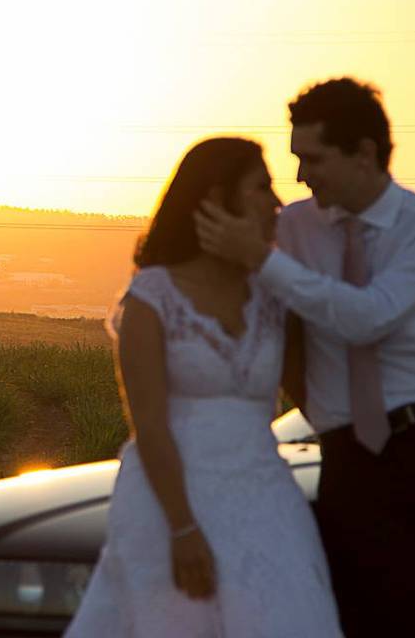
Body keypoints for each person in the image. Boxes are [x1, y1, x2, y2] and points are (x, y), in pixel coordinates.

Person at [195, 77, 415, 637]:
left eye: (312, 158)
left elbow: (368, 315)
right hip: (353, 463)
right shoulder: (290, 229)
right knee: (375, 619)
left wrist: (261, 259)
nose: (299, 177)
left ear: (365, 152)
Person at [64, 137, 343, 637]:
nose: (276, 203)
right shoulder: (151, 298)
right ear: (216, 199)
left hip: (264, 494)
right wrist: (183, 527)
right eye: (261, 187)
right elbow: (148, 424)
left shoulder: (273, 295)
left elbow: (314, 398)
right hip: (172, 502)